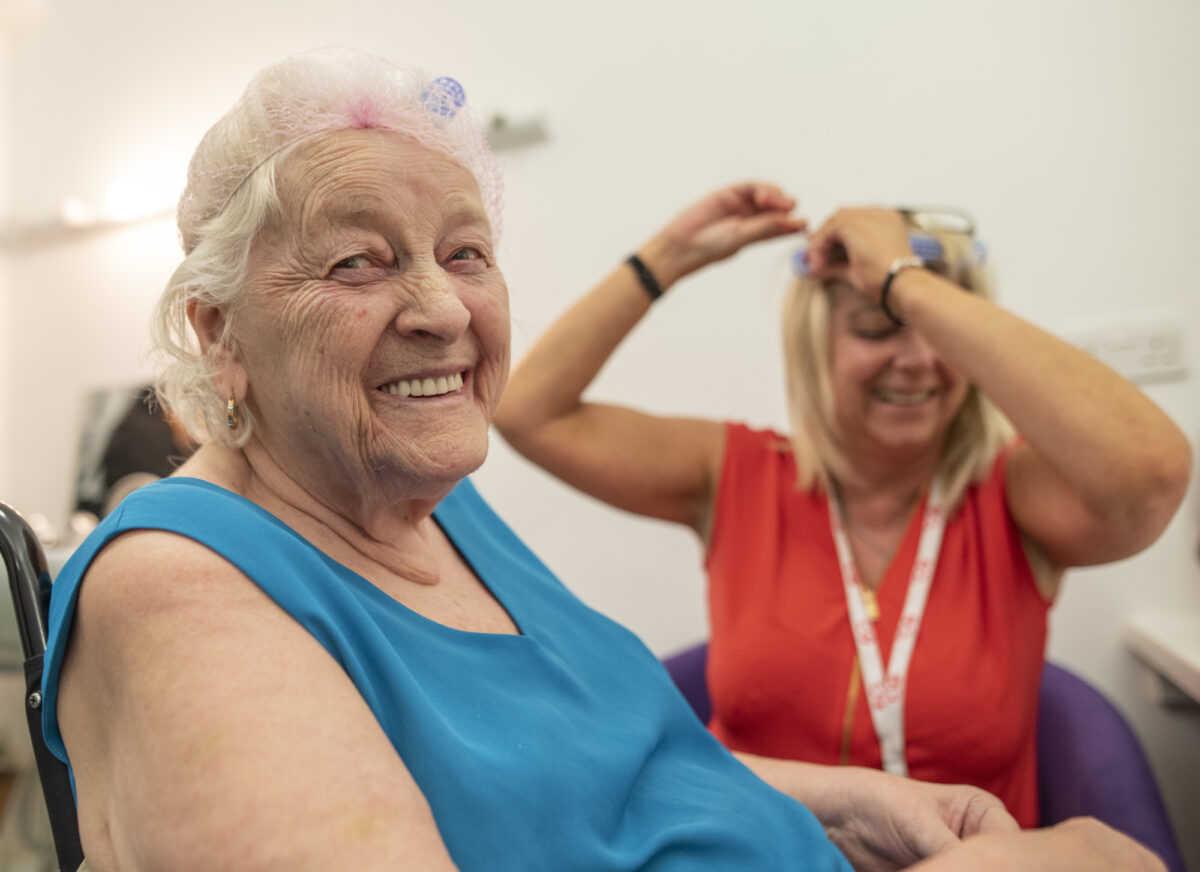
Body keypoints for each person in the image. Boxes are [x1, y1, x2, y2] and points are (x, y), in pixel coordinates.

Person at [40, 48, 1165, 872]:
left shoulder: (435, 506)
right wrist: (668, 254)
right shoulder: (179, 590)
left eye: (466, 251)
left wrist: (856, 799)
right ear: (218, 333)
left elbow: (591, 772)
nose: (439, 304)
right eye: (357, 261)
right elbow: (540, 407)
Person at [494, 184, 1192, 829]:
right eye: (878, 327)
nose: (916, 360)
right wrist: (670, 256)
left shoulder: (1016, 496)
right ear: (817, 345)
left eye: (938, 332)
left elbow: (1153, 472)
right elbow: (527, 411)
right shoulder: (736, 472)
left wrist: (903, 281)